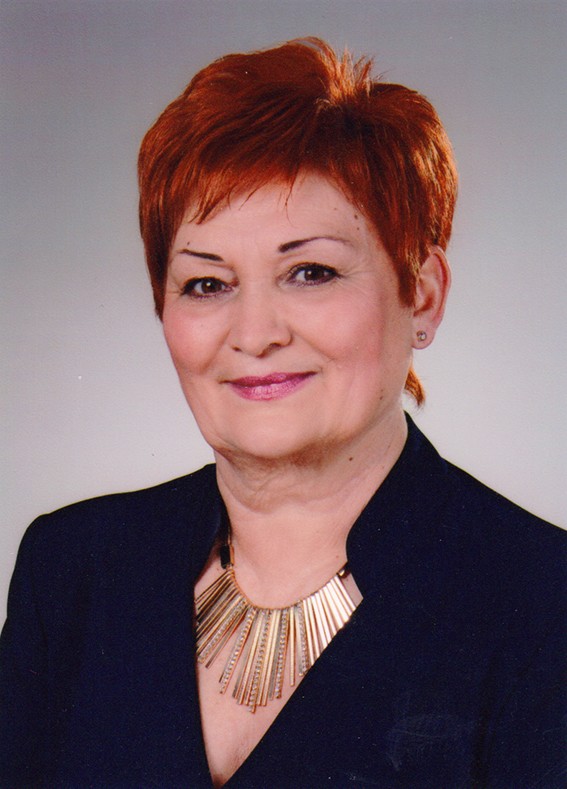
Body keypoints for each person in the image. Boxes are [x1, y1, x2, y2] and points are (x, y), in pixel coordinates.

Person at [0, 37, 564, 789]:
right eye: (207, 284)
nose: (255, 333)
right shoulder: (73, 571)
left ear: (422, 293)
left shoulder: (543, 603)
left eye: (310, 271)